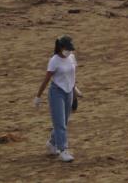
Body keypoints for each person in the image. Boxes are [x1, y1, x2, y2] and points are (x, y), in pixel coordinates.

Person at [34, 35, 81, 163]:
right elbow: (47, 79)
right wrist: (38, 96)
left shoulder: (71, 57)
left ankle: (52, 142)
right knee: (60, 123)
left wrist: (75, 91)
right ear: (60, 47)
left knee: (63, 122)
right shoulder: (54, 60)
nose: (69, 51)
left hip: (68, 92)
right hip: (57, 93)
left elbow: (72, 76)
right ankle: (63, 150)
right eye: (67, 49)